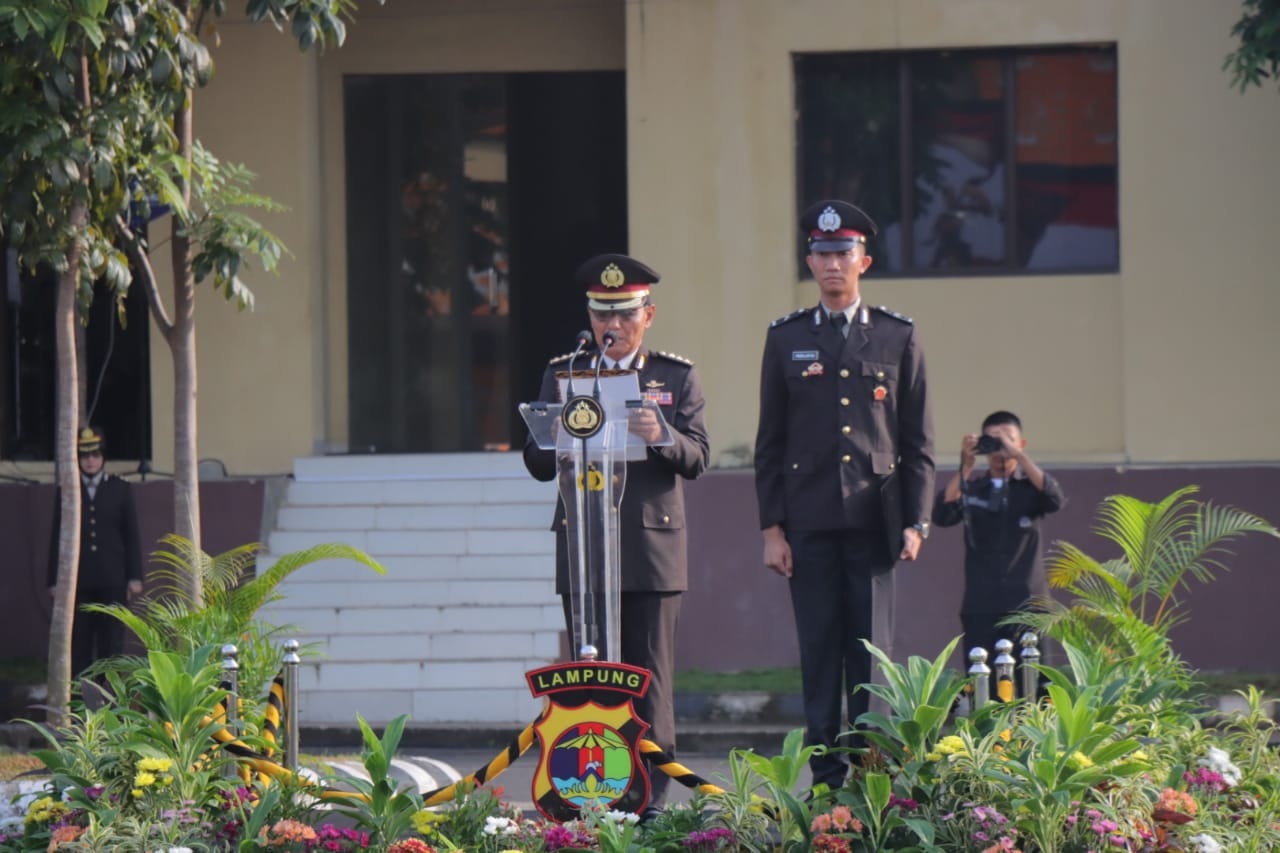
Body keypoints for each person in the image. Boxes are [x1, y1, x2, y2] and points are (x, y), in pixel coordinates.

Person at [753, 200, 935, 790]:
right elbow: (770, 443)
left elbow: (918, 440)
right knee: (820, 652)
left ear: (865, 261)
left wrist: (919, 521)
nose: (834, 264)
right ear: (810, 262)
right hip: (807, 523)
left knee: (872, 655)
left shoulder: (897, 335)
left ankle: (872, 772)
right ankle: (828, 777)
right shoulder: (786, 339)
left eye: (844, 254)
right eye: (823, 254)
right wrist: (771, 530)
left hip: (875, 521)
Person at [522, 253, 710, 812]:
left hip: (649, 548)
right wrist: (550, 432)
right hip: (584, 545)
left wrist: (662, 433)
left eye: (625, 314)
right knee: (590, 674)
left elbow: (698, 458)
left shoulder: (675, 376)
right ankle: (593, 791)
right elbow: (535, 462)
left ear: (647, 315)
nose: (613, 326)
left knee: (647, 679)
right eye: (603, 314)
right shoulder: (565, 372)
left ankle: (649, 796)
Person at [931, 410, 1065, 662]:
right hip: (982, 605)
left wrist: (1020, 457)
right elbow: (942, 515)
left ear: (1021, 444)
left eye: (1008, 440)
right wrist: (966, 466)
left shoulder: (1029, 488)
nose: (1000, 449)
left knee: (1037, 683)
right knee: (983, 679)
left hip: (1029, 604)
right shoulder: (972, 490)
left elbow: (1055, 499)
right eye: (993, 441)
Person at [47, 426, 144, 678]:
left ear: (103, 457)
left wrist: (135, 576)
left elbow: (131, 535)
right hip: (77, 582)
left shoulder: (119, 489)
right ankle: (80, 704)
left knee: (111, 646)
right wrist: (53, 579)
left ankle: (109, 703)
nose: (90, 461)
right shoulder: (68, 489)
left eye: (95, 455)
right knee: (79, 644)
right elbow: (57, 536)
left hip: (113, 580)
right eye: (85, 455)